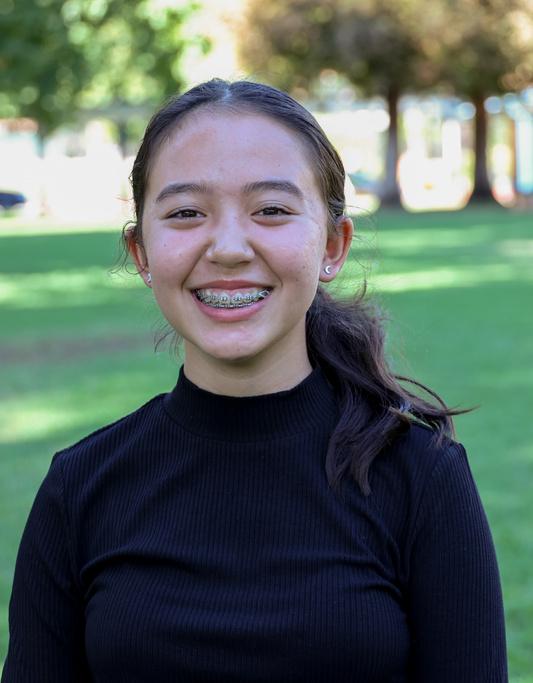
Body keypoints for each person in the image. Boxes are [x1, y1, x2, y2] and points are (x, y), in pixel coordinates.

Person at [2, 79, 507, 682]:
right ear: (141, 253)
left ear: (334, 245)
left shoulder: (421, 475)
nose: (228, 248)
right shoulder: (80, 488)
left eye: (271, 210)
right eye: (186, 213)